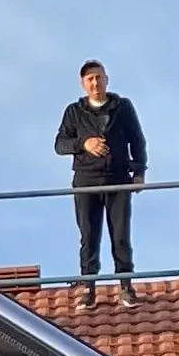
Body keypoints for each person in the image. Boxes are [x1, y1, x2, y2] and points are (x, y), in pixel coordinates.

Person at [53, 61, 146, 312]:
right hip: (86, 181)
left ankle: (126, 286)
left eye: (98, 77)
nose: (95, 83)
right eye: (89, 79)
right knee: (89, 236)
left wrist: (139, 173)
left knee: (121, 235)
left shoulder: (123, 107)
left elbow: (137, 140)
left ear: (107, 79)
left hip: (118, 179)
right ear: (83, 84)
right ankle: (88, 288)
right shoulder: (74, 112)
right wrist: (85, 143)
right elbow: (60, 144)